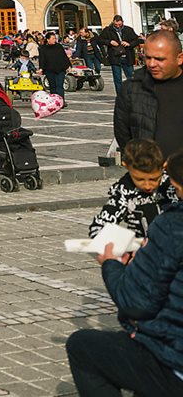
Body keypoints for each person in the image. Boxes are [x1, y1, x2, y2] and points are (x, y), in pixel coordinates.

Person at [66, 149, 183, 397]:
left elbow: (135, 303)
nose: (150, 186)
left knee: (82, 347)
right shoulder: (123, 194)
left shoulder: (172, 226)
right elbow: (100, 224)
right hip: (148, 253)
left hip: (175, 365)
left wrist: (111, 264)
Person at [89, 138, 177, 239]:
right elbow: (101, 224)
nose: (147, 186)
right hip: (141, 248)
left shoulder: (172, 184)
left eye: (154, 179)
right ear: (126, 166)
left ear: (164, 167)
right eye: (139, 179)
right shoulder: (125, 189)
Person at [115, 29, 183, 157]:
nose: (152, 64)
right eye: (148, 57)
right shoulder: (132, 88)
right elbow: (122, 132)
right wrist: (141, 166)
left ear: (179, 58)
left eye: (159, 59)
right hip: (149, 172)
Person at [99, 15, 142, 93]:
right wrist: (109, 42)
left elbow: (137, 40)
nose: (118, 26)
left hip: (127, 57)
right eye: (116, 25)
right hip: (115, 57)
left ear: (122, 22)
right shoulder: (108, 30)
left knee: (131, 78)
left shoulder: (128, 30)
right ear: (113, 22)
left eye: (119, 24)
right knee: (117, 78)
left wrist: (129, 44)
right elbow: (99, 40)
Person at [39, 31, 71, 105]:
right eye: (53, 38)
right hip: (49, 70)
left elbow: (64, 57)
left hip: (60, 69)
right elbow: (42, 59)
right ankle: (54, 102)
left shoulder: (59, 46)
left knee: (60, 86)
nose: (55, 40)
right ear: (48, 39)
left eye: (55, 38)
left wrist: (68, 66)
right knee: (53, 87)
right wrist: (41, 68)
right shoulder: (43, 48)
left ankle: (61, 101)